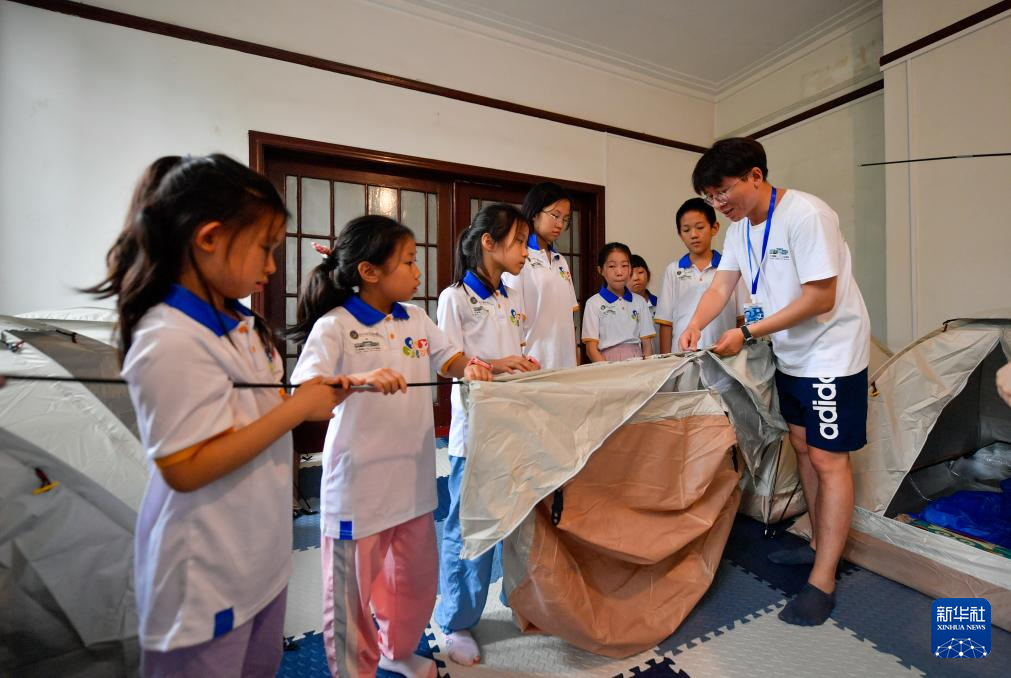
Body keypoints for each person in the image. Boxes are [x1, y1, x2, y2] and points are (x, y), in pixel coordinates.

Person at [85, 154, 351, 676]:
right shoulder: (168, 335)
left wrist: (306, 399)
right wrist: (297, 407)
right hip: (203, 572)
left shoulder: (240, 322)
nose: (272, 266)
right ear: (208, 237)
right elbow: (186, 466)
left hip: (259, 555)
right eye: (264, 248)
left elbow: (250, 415)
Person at [287, 215, 493, 678]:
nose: (418, 271)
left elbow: (449, 358)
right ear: (369, 271)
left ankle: (395, 651)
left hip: (414, 484)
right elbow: (307, 395)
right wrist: (356, 381)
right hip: (358, 492)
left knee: (414, 584)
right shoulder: (335, 327)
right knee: (350, 602)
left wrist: (479, 366)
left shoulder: (415, 318)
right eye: (408, 261)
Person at [679, 138, 870, 627]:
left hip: (831, 352)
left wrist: (744, 332)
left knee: (829, 458)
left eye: (723, 191)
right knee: (804, 448)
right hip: (790, 353)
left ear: (756, 177)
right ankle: (814, 541)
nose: (719, 204)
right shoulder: (742, 229)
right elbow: (722, 286)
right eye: (711, 196)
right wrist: (696, 324)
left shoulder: (807, 215)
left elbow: (821, 298)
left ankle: (824, 577)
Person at [434, 203, 540, 666]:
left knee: (519, 520)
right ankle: (456, 621)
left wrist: (522, 364)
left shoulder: (513, 295)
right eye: (518, 241)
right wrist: (497, 365)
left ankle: (523, 600)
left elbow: (516, 349)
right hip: (475, 432)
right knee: (469, 527)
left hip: (514, 424)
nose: (526, 251)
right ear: (488, 243)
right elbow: (447, 363)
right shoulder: (453, 298)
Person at [502, 182, 580, 368]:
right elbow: (511, 319)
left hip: (565, 363)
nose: (560, 224)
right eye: (555, 215)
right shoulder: (520, 257)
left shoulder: (560, 260)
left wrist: (575, 357)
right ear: (535, 212)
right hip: (533, 362)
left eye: (565, 219)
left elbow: (568, 318)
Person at [656, 198, 746, 354]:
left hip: (723, 355)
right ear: (679, 234)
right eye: (686, 230)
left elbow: (741, 318)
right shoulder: (673, 270)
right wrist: (666, 360)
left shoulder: (731, 268)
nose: (694, 235)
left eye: (700, 227)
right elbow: (666, 323)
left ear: (714, 228)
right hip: (682, 355)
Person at [582, 242, 655, 362]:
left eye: (625, 265)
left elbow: (647, 346)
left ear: (630, 268)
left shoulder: (640, 302)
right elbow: (591, 349)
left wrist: (645, 369)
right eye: (612, 266)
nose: (619, 272)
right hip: (607, 364)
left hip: (637, 364)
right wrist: (608, 372)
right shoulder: (593, 304)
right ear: (600, 270)